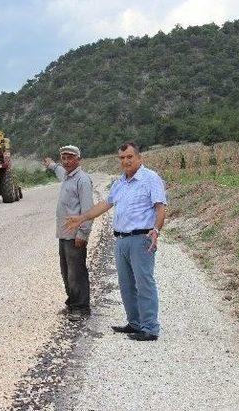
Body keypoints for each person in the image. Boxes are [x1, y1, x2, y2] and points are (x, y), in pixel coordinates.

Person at [64, 141, 166, 341]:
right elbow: (105, 204)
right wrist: (82, 217)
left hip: (141, 238)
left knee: (144, 282)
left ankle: (150, 328)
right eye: (122, 158)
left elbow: (160, 208)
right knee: (126, 283)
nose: (125, 161)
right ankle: (134, 323)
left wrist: (156, 230)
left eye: (129, 157)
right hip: (121, 239)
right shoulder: (120, 183)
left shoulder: (150, 178)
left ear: (139, 158)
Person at [43, 145, 94, 322]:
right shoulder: (65, 175)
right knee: (66, 271)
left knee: (76, 272)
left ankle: (81, 308)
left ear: (78, 159)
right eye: (63, 158)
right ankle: (72, 303)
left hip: (75, 235)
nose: (66, 161)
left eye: (70, 158)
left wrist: (83, 233)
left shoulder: (83, 180)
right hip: (63, 234)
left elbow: (88, 210)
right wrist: (51, 164)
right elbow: (57, 169)